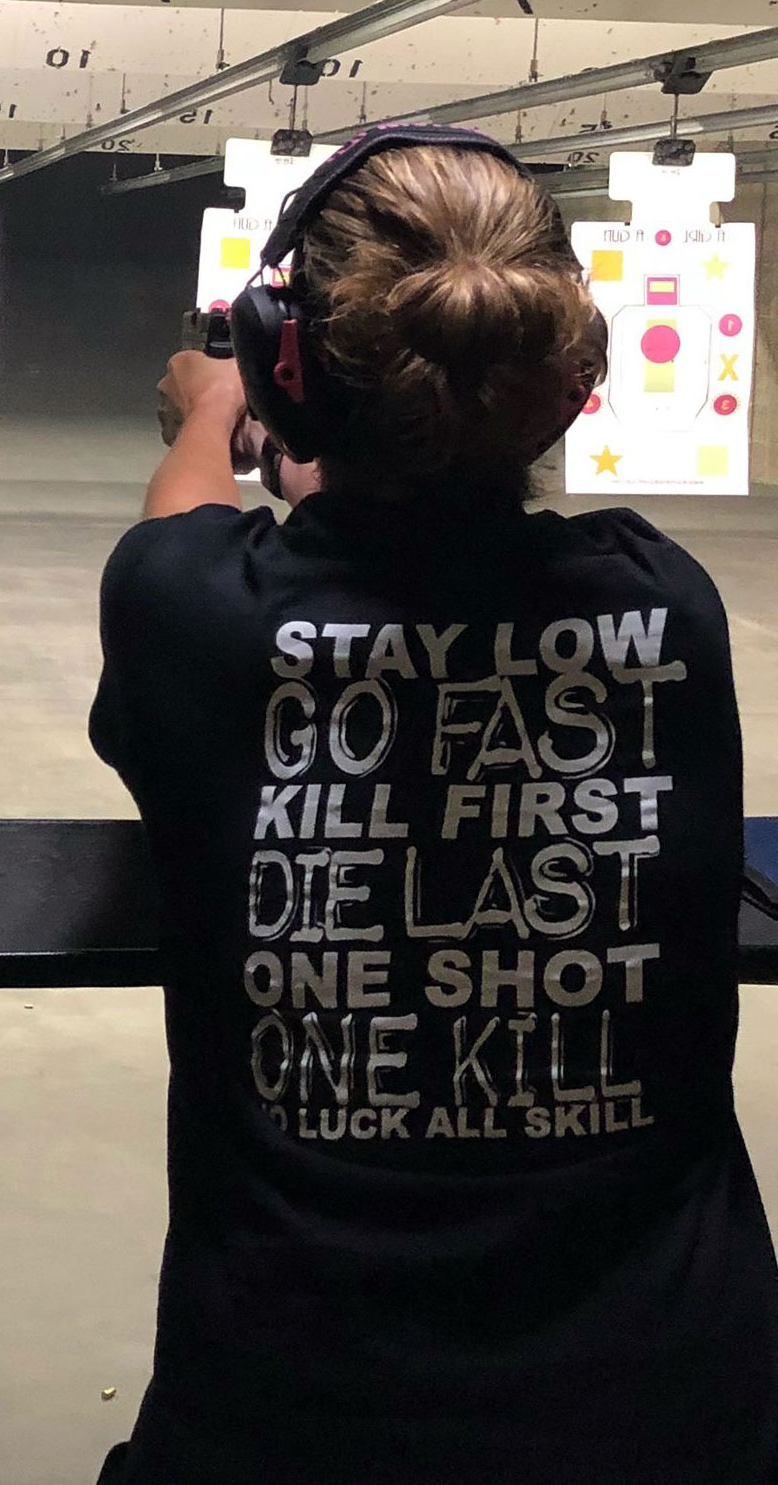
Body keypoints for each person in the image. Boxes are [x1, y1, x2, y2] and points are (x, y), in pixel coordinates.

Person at [88, 128, 778, 1485]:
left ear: (282, 350)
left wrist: (217, 413)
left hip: (300, 1418)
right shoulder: (664, 600)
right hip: (682, 1414)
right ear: (566, 385)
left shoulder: (190, 614)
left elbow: (180, 527)